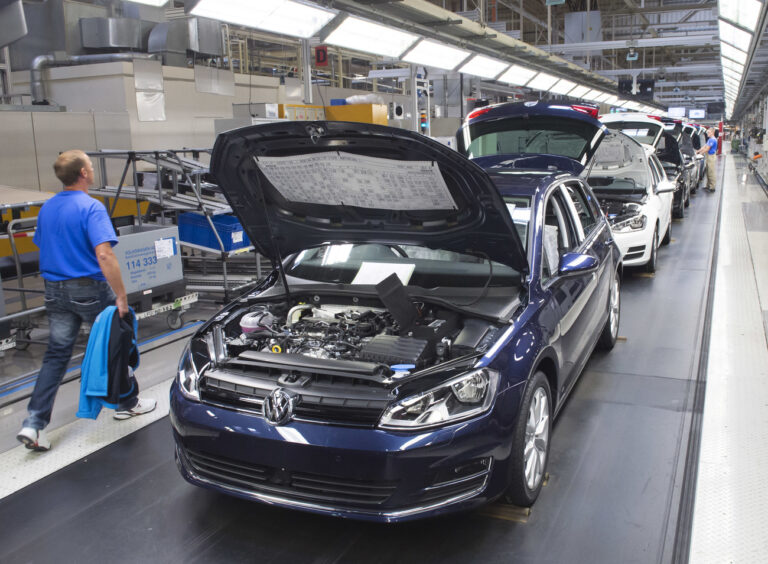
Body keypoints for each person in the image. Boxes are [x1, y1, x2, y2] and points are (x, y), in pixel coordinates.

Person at [16, 150, 156, 452]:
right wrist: (121, 296)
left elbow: (44, 244)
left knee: (56, 356)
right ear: (83, 174)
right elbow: (104, 254)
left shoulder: (48, 207)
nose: (92, 171)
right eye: (91, 167)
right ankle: (126, 403)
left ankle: (34, 424)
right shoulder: (91, 207)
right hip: (89, 289)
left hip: (54, 290)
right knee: (117, 345)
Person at [696, 127, 718, 192]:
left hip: (711, 157)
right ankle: (708, 186)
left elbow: (707, 148)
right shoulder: (709, 139)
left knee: (711, 172)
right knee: (708, 171)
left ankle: (712, 187)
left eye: (708, 132)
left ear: (712, 132)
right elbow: (704, 146)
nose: (707, 133)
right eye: (707, 132)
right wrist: (698, 151)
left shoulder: (713, 140)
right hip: (708, 156)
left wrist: (700, 154)